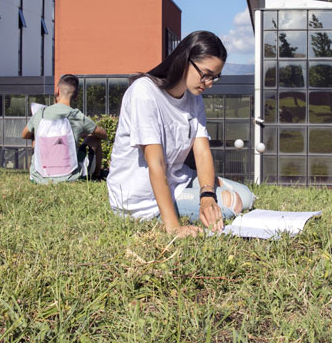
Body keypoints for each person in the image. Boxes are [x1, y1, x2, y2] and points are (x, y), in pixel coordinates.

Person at [106, 31, 255, 237]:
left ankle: (202, 196)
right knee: (233, 203)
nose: (209, 83)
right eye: (206, 74)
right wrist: (174, 228)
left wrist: (207, 196)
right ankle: (168, 212)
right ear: (185, 60)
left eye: (215, 77)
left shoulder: (194, 99)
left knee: (246, 196)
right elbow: (156, 164)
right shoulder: (144, 92)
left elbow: (202, 153)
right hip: (141, 199)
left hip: (178, 179)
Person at [22, 74, 107, 184]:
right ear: (76, 96)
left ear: (57, 91)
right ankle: (97, 176)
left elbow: (24, 135)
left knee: (34, 135)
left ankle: (37, 171)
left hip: (38, 179)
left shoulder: (40, 113)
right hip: (70, 178)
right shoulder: (77, 116)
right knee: (94, 138)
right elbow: (103, 135)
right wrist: (84, 132)